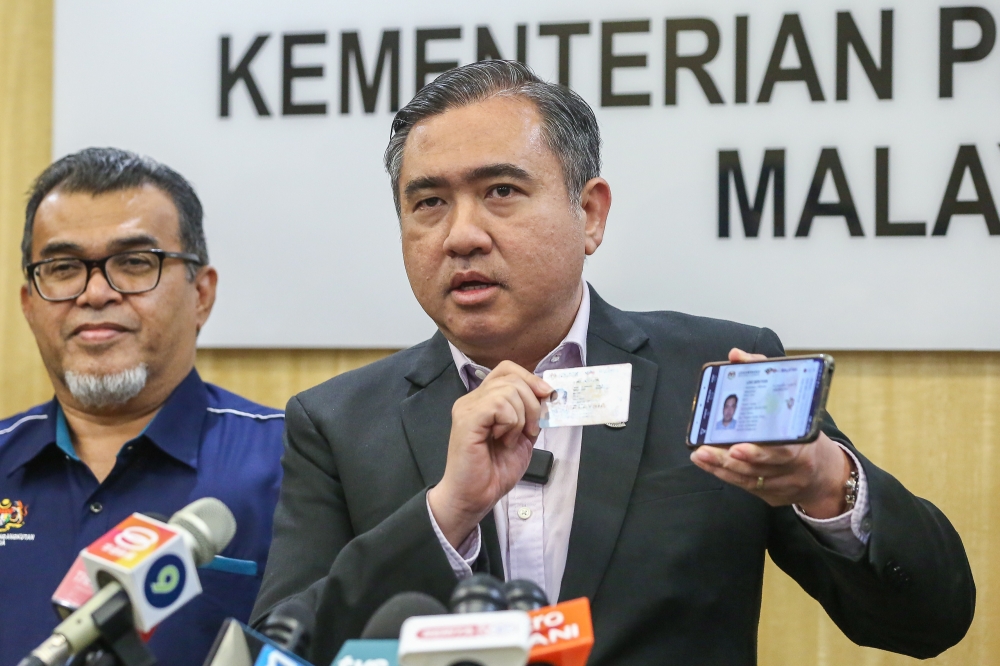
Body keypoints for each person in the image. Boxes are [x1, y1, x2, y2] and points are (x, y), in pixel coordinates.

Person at [252, 62, 974, 665]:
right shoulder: (338, 423)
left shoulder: (706, 375)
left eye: (500, 191)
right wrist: (448, 514)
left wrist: (826, 484)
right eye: (429, 202)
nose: (461, 235)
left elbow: (927, 622)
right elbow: (284, 647)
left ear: (589, 214)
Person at [0, 148, 285, 666]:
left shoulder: (293, 462)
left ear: (201, 294)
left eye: (134, 263)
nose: (96, 292)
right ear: (29, 304)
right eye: (64, 268)